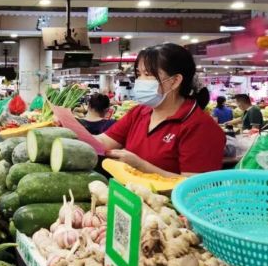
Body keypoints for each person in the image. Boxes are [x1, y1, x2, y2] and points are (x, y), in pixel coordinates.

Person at [96, 43, 225, 176]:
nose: (140, 80)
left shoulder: (200, 127)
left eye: (148, 74)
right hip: (129, 194)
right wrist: (74, 130)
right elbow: (104, 142)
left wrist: (140, 165)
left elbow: (194, 187)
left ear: (175, 81)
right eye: (138, 74)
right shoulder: (139, 112)